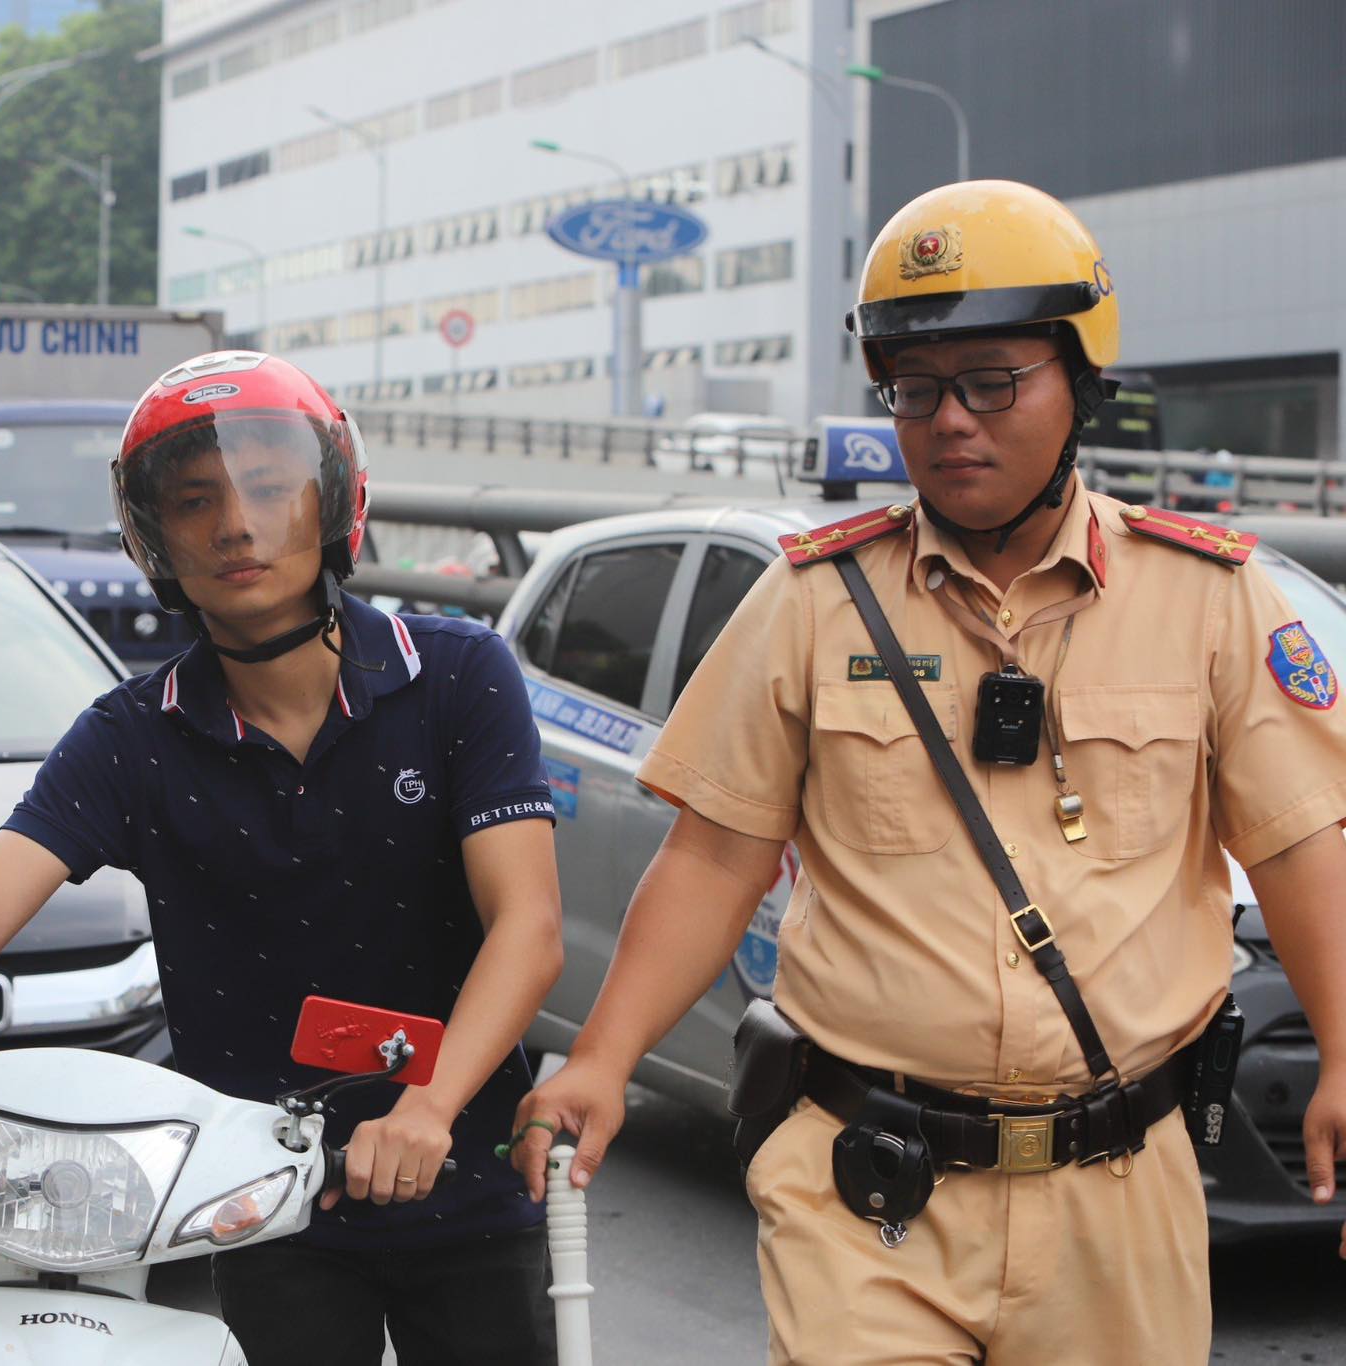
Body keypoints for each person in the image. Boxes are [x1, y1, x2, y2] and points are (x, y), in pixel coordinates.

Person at [509, 180, 1346, 1361]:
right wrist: (598, 1057)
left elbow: (1301, 842)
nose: (949, 419)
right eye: (914, 388)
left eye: (991, 380)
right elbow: (712, 857)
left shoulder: (1208, 600)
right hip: (866, 1193)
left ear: (1077, 381)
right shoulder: (804, 604)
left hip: (1121, 1189)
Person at [0, 351, 566, 1365]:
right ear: (151, 537)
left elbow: (529, 926)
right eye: (195, 501)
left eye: (270, 489)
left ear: (332, 500)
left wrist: (428, 1108)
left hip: (462, 1167)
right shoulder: (131, 737)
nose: (236, 524)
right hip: (258, 1196)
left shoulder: (457, 676)